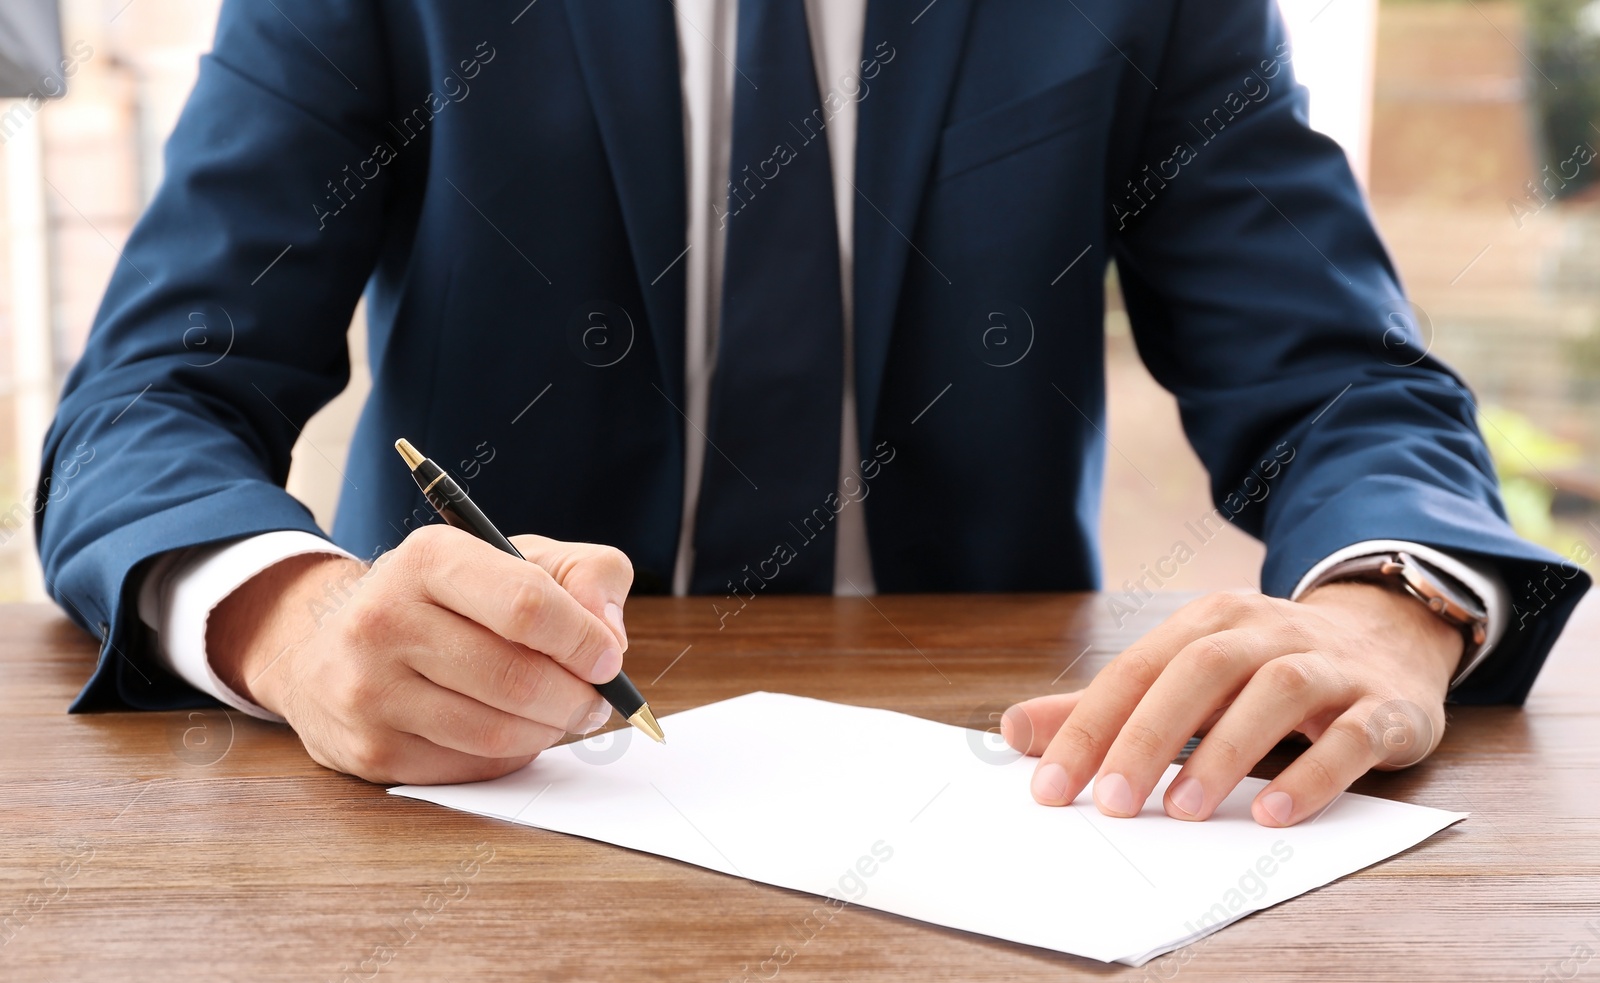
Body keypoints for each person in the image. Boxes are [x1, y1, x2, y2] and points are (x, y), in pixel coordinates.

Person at [36, 0, 1587, 823]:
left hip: (1006, 802)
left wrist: (1390, 606)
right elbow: (153, 394)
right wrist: (296, 626)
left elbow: (1342, 377)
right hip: (467, 792)